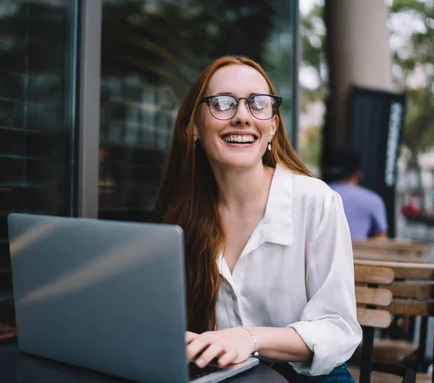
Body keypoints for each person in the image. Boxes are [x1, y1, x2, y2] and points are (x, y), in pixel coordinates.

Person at [151, 56, 361, 382]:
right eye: (222, 103)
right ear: (194, 127)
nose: (242, 117)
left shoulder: (316, 202)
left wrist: (250, 338)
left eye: (258, 104)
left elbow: (338, 328)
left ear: (273, 126)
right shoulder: (181, 215)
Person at [322, 148, 388, 241]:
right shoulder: (372, 200)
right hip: (360, 255)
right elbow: (381, 239)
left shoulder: (314, 196)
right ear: (358, 174)